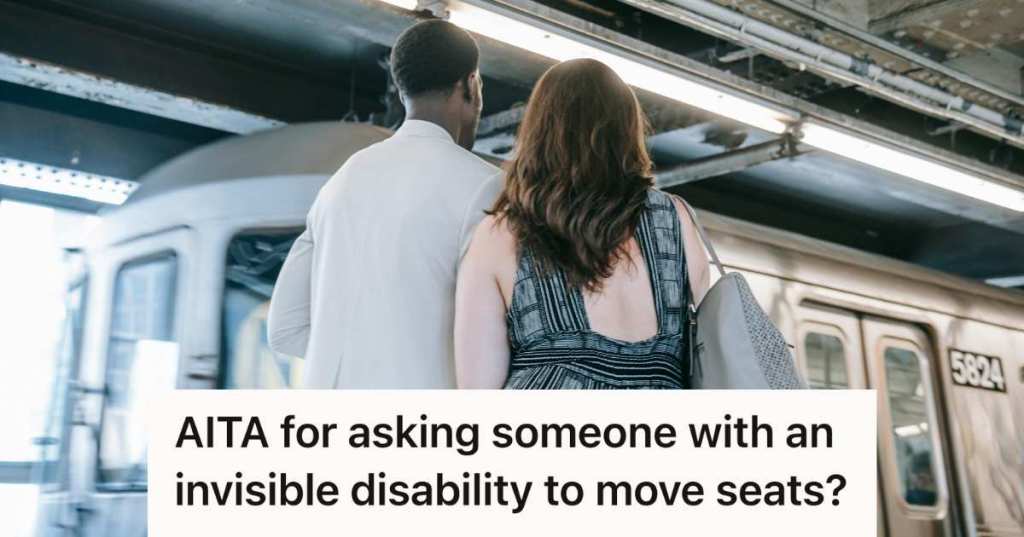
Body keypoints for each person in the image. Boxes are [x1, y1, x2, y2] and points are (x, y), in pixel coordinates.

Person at [267, 19, 500, 388]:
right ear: (471, 84)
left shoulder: (340, 183)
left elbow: (285, 329)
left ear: (403, 90)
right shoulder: (487, 185)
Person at [454, 58, 711, 389]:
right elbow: (709, 343)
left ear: (539, 131)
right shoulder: (676, 221)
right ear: (627, 129)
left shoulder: (501, 235)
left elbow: (477, 392)